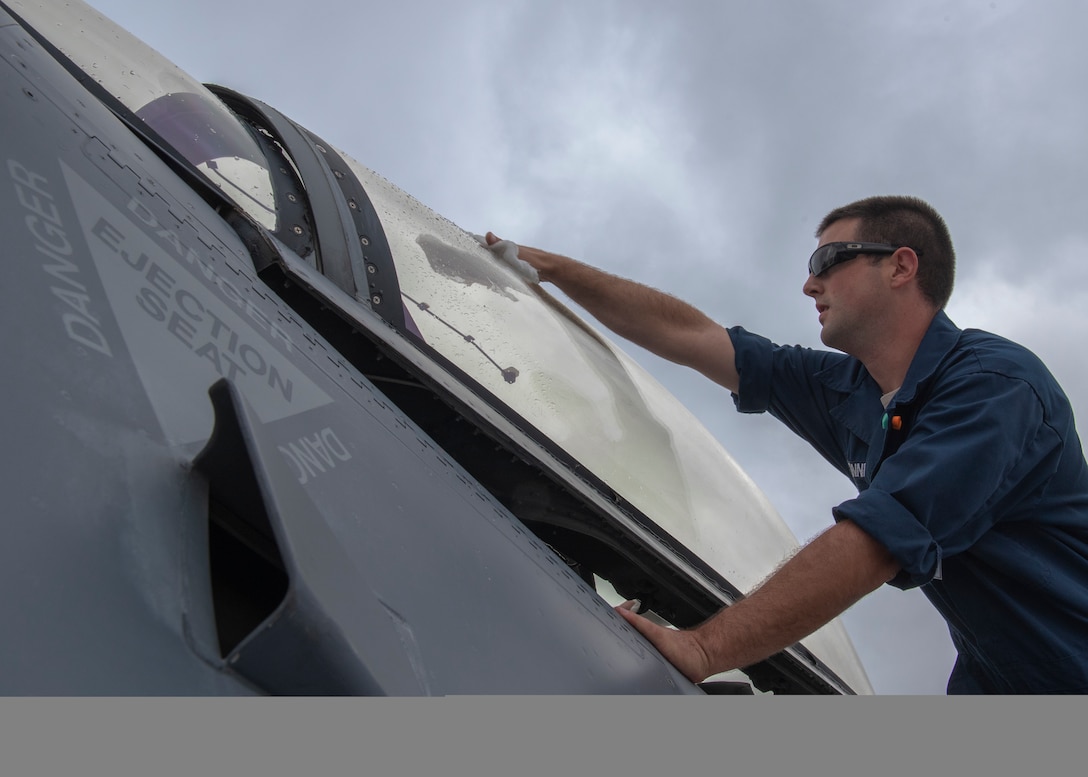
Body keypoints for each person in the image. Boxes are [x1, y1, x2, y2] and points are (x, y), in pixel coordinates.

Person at [485, 195, 1088, 694]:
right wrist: (555, 270)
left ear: (902, 266)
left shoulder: (995, 385)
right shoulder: (845, 389)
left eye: (828, 260)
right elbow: (695, 337)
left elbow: (883, 537)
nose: (809, 283)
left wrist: (702, 647)